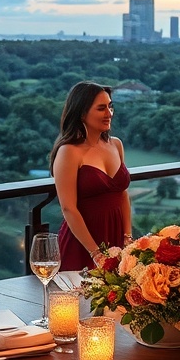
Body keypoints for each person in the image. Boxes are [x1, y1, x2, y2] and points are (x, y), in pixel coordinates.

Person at [51, 82, 131, 270]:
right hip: (82, 244)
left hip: (117, 241)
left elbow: (123, 195)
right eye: (101, 108)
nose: (109, 113)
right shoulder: (69, 152)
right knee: (79, 298)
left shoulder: (116, 145)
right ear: (81, 113)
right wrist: (95, 253)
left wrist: (128, 238)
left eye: (110, 107)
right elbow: (68, 208)